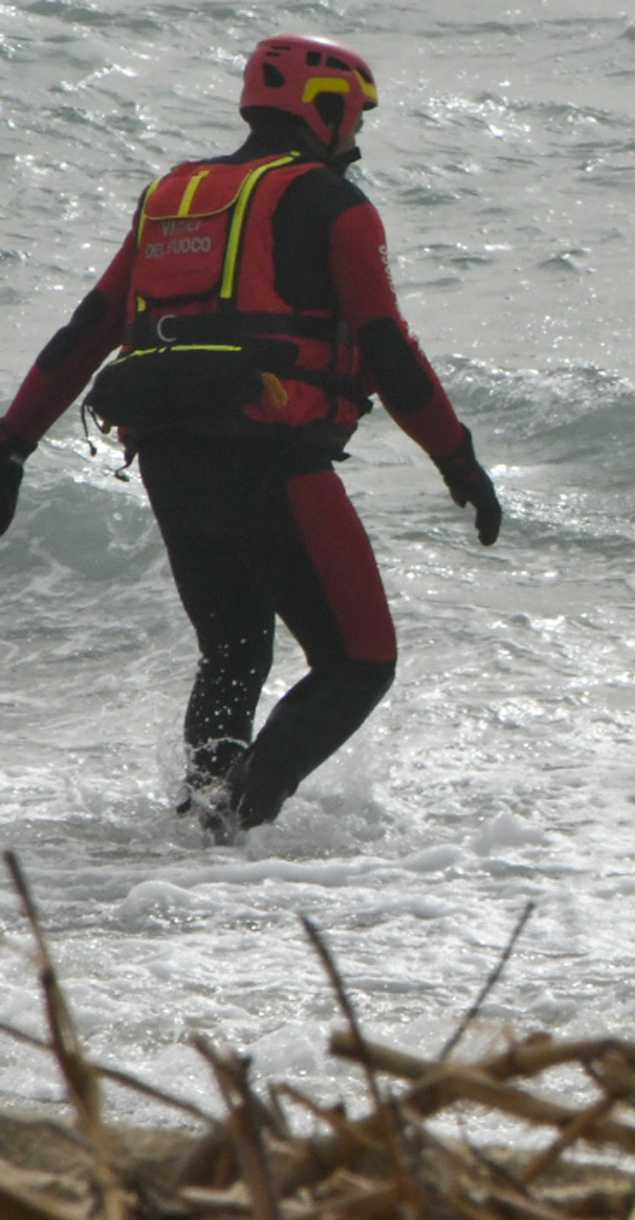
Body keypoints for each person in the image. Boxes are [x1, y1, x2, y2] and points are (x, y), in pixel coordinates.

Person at [0, 34, 502, 840]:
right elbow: (386, 351)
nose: (356, 135)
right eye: (353, 115)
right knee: (359, 663)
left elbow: (87, 329)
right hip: (269, 458)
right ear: (324, 107)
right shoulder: (335, 203)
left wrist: (13, 444)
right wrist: (457, 458)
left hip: (167, 457)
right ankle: (232, 826)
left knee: (234, 651)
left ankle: (199, 824)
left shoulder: (173, 195)